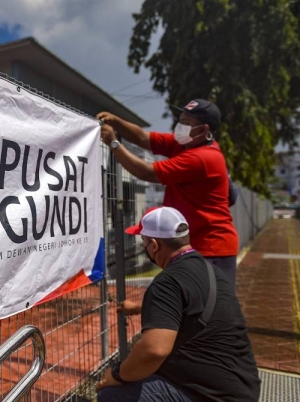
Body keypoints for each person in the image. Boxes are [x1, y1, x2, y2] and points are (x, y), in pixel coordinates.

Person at [96, 206, 260, 402]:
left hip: (211, 395)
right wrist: (140, 307)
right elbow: (188, 306)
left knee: (112, 395)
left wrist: (117, 374)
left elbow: (154, 350)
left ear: (154, 245)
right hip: (241, 388)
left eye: (144, 242)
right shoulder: (209, 270)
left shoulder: (167, 282)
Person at [97, 99, 239, 287]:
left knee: (210, 303)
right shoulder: (186, 144)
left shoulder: (202, 157)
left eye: (186, 123)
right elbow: (143, 138)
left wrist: (113, 143)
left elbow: (146, 172)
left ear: (204, 130)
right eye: (181, 120)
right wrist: (116, 121)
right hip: (193, 243)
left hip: (211, 247)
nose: (180, 126)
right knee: (189, 301)